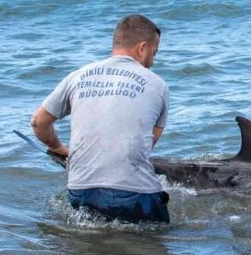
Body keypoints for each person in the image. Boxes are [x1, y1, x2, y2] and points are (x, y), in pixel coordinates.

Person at [29, 14, 170, 223]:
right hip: (133, 194)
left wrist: (58, 147)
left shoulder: (78, 76)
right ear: (142, 48)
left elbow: (38, 122)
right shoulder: (157, 85)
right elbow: (147, 144)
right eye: (154, 53)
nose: (152, 61)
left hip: (80, 188)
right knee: (157, 242)